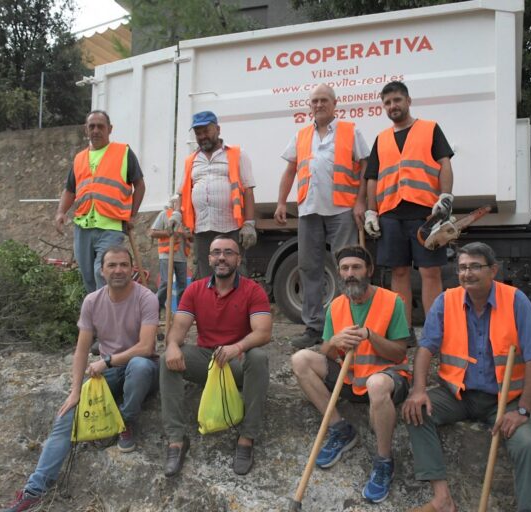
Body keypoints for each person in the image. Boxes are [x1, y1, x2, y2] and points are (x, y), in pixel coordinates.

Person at [0, 246, 160, 512]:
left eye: (123, 265)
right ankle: (34, 489)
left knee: (141, 365)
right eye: (112, 265)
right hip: (108, 374)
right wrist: (75, 391)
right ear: (102, 270)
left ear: (132, 269)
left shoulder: (146, 297)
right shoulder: (92, 301)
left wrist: (107, 360)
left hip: (140, 370)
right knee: (65, 417)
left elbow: (145, 346)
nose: (118, 270)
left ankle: (124, 421)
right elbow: (82, 350)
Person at [402, 242, 531, 512]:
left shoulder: (515, 299)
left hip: (506, 399)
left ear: (493, 270)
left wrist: (523, 410)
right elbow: (426, 347)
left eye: (475, 266)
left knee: (527, 445)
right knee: (416, 412)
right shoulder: (446, 300)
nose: (467, 273)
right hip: (458, 395)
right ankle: (442, 500)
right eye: (462, 267)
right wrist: (418, 390)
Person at [291, 245, 411, 504]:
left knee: (377, 384)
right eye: (345, 268)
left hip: (386, 378)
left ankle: (383, 461)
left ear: (369, 270)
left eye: (356, 267)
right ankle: (340, 429)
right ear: (338, 273)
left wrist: (371, 336)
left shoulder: (392, 301)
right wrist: (334, 341)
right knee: (301, 359)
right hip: (351, 378)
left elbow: (399, 354)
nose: (350, 273)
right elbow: (327, 354)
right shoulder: (336, 305)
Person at [159, 235, 272, 477]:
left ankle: (246, 438)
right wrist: (171, 345)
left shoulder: (253, 290)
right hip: (207, 361)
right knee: (166, 359)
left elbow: (263, 332)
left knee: (259, 357)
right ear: (209, 258)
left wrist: (237, 348)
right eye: (216, 252)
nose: (222, 257)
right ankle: (176, 441)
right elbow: (179, 328)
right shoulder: (195, 289)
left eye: (229, 252)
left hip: (236, 363)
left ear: (238, 259)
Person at [274, 84, 371, 349]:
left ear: (334, 104)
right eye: (315, 101)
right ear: (310, 106)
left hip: (342, 209)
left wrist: (361, 201)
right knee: (309, 267)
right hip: (309, 210)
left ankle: (348, 323)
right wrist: (282, 202)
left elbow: (366, 166)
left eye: (324, 100)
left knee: (348, 266)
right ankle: (314, 327)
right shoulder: (302, 135)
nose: (319, 105)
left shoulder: (351, 131)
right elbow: (290, 170)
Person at [363, 81, 454, 340]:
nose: (393, 106)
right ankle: (404, 333)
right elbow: (372, 177)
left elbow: (444, 163)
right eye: (388, 103)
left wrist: (445, 197)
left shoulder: (430, 129)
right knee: (399, 272)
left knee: (430, 272)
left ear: (408, 101)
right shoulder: (381, 139)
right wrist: (372, 212)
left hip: (425, 213)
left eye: (397, 101)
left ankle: (435, 333)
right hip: (391, 214)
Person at [54, 110, 146, 293]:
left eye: (100, 126)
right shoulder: (80, 158)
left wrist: (132, 215)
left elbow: (140, 185)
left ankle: (111, 318)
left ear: (110, 129)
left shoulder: (123, 152)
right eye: (92, 126)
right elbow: (70, 190)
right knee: (88, 277)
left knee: (102, 272)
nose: (96, 130)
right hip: (83, 226)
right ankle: (98, 317)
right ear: (85, 130)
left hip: (111, 226)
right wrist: (60, 212)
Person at [167, 111, 257, 280]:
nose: (202, 136)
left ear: (217, 129)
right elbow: (182, 192)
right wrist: (177, 213)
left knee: (234, 274)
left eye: (206, 131)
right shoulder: (191, 160)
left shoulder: (237, 154)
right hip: (201, 229)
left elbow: (249, 190)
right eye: (198, 133)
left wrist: (249, 224)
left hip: (230, 227)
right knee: (205, 277)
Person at [148, 206, 191, 311]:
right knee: (166, 283)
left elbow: (192, 237)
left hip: (181, 257)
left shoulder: (187, 217)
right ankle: (155, 307)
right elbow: (152, 232)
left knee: (182, 285)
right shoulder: (165, 214)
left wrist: (187, 235)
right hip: (167, 254)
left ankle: (182, 311)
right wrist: (168, 233)